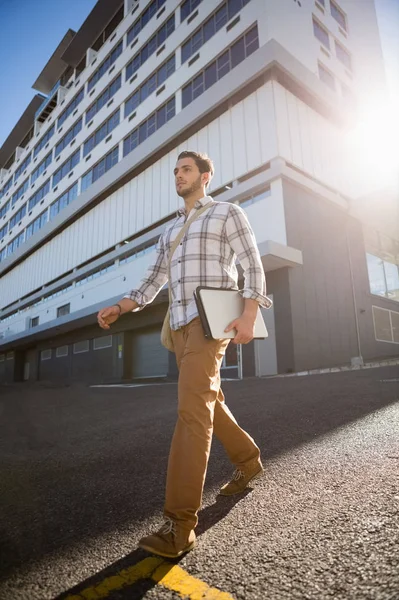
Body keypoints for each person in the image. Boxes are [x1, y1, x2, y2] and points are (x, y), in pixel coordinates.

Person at [97, 151, 272, 558]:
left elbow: (253, 264)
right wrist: (121, 306)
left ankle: (179, 524)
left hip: (212, 320)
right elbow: (152, 279)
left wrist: (249, 313)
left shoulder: (227, 212)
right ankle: (248, 459)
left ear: (206, 176)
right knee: (206, 403)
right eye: (175, 171)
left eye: (186, 169)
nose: (179, 176)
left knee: (191, 410)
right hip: (177, 328)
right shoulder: (170, 230)